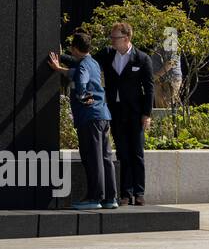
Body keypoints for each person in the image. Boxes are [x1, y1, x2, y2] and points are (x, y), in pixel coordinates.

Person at [49, 31, 118, 210]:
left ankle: (95, 197)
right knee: (105, 157)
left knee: (92, 158)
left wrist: (82, 96)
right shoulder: (93, 62)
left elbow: (81, 80)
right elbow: (76, 72)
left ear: (74, 49)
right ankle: (110, 198)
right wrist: (59, 69)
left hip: (90, 118)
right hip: (103, 116)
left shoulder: (83, 67)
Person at [97, 21, 154, 206]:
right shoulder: (107, 54)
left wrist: (147, 114)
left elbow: (149, 88)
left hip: (135, 112)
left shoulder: (142, 58)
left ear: (127, 38)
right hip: (116, 111)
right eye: (111, 37)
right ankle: (124, 193)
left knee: (136, 152)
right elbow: (86, 60)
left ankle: (139, 192)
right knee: (122, 152)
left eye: (116, 37)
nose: (112, 41)